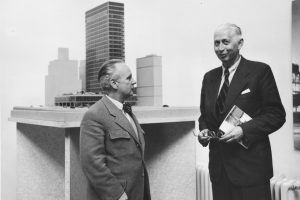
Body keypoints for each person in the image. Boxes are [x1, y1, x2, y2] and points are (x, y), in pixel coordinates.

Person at [198, 23, 286, 200]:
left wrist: (244, 130)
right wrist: (204, 130)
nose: (220, 48)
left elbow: (276, 114)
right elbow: (205, 116)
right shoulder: (209, 78)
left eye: (225, 42)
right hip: (220, 171)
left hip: (250, 171)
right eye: (216, 43)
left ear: (240, 43)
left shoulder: (260, 71)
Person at [80, 59, 151, 200]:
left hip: (137, 193)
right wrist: (117, 195)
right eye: (129, 78)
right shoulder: (94, 114)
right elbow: (92, 164)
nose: (134, 81)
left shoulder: (127, 111)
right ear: (114, 83)